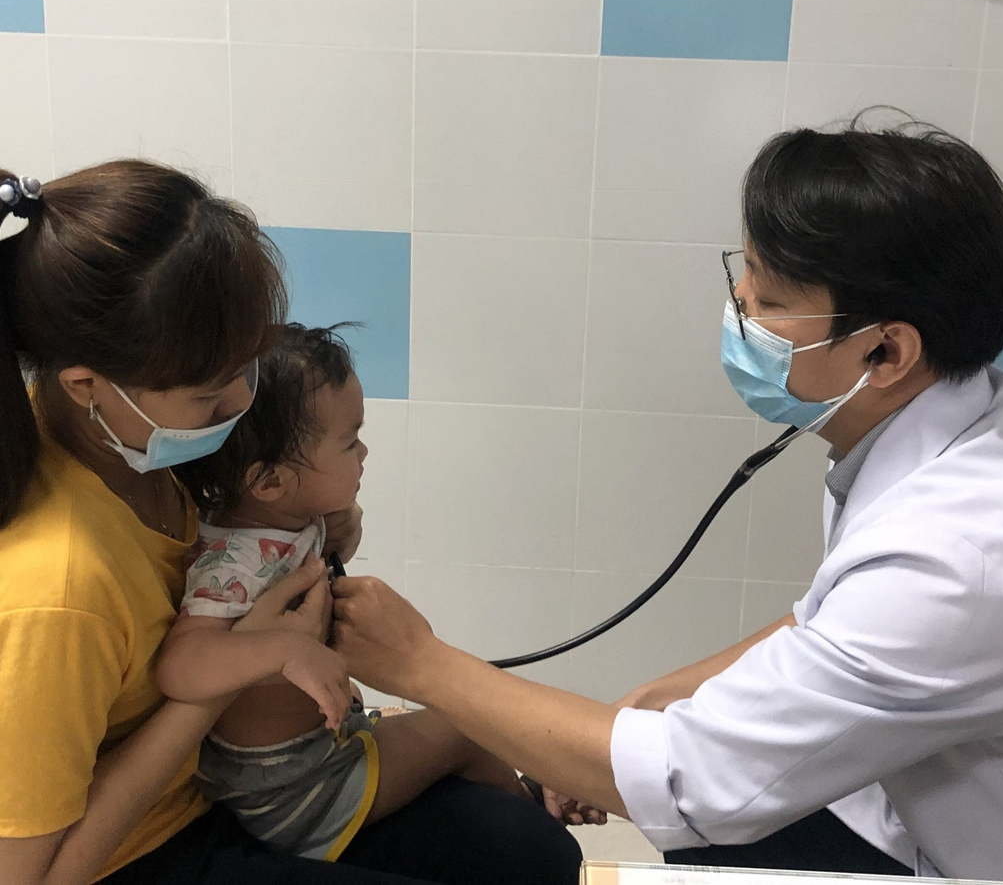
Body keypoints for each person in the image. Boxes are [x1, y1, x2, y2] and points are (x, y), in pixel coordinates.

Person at [329, 119, 1003, 885]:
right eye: (744, 274)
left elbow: (694, 783)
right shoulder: (954, 436)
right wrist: (642, 706)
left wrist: (421, 663)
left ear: (885, 350)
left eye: (770, 300)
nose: (740, 304)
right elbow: (823, 624)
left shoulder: (961, 559)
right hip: (928, 801)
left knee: (691, 831)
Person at [0, 162, 581, 885]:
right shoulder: (56, 591)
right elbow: (32, 877)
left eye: (246, 369)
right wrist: (247, 658)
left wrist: (322, 524)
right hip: (137, 850)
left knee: (536, 854)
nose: (238, 406)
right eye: (210, 397)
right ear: (87, 384)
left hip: (216, 778)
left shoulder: (129, 442)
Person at [164, 322, 533, 861]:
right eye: (349, 442)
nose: (364, 452)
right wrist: (287, 652)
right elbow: (180, 665)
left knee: (430, 727)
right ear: (269, 482)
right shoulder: (233, 563)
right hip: (293, 793)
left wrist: (335, 530)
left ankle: (527, 799)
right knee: (463, 730)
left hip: (302, 760)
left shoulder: (280, 518)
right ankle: (536, 806)